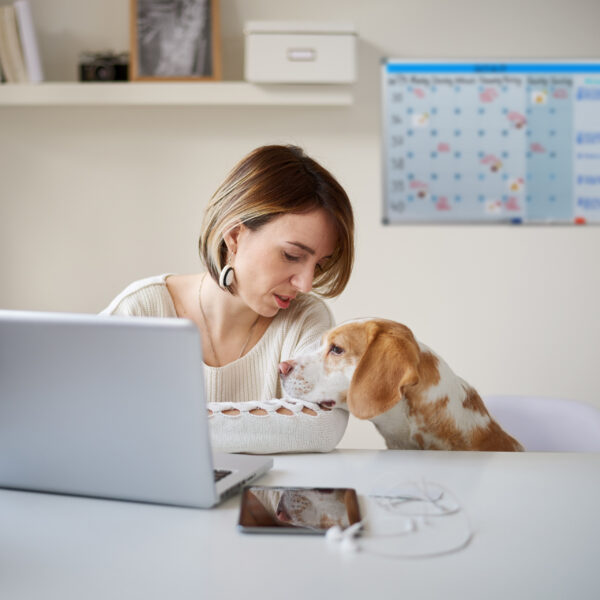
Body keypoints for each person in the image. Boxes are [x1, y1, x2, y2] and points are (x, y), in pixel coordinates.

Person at [101, 145, 355, 453]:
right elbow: (81, 416)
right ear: (234, 236)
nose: (305, 284)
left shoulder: (305, 320)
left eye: (319, 265)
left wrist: (157, 425)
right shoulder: (142, 310)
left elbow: (322, 426)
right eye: (292, 255)